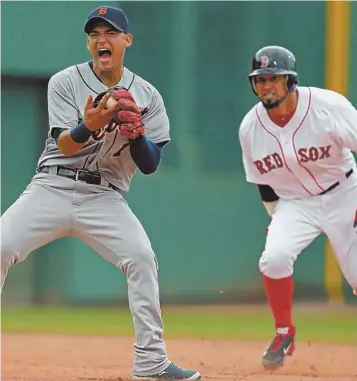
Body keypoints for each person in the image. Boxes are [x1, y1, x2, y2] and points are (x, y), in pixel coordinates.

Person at [0, 5, 201, 381]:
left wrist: (138, 135)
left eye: (109, 32)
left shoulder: (147, 95)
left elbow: (151, 163)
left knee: (141, 258)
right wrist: (87, 126)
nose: (100, 40)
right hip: (53, 185)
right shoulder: (65, 81)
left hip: (104, 197)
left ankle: (151, 363)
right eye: (94, 34)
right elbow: (64, 143)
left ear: (127, 40)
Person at [238, 45, 357, 370]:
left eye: (273, 78)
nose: (266, 86)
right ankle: (283, 332)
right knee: (274, 258)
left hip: (345, 192)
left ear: (290, 81)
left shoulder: (328, 106)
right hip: (294, 203)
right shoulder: (250, 127)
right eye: (260, 80)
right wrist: (276, 218)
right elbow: (263, 181)